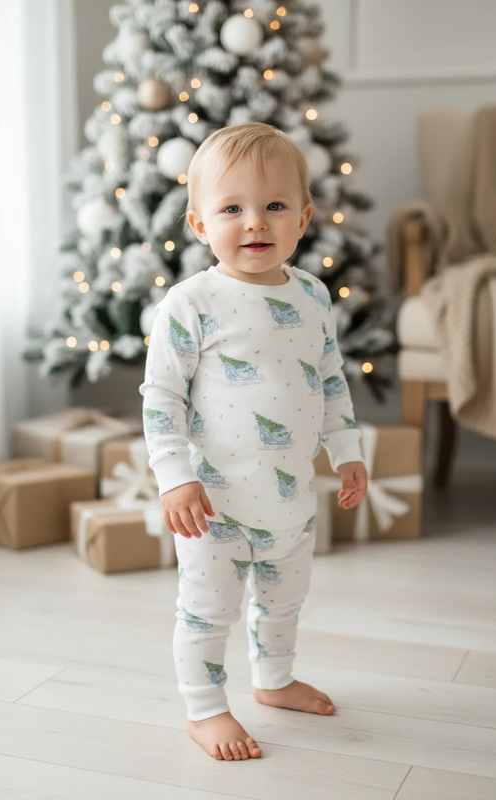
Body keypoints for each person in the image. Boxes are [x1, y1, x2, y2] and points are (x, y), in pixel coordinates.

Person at [139, 122, 368, 761]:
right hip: (213, 506)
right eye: (231, 209)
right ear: (198, 224)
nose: (255, 222)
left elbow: (330, 380)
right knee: (207, 611)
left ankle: (274, 679)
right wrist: (174, 477)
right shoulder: (191, 303)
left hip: (290, 501)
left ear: (304, 218)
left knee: (284, 602)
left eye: (273, 205)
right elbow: (161, 397)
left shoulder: (313, 295)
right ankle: (205, 708)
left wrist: (348, 452)